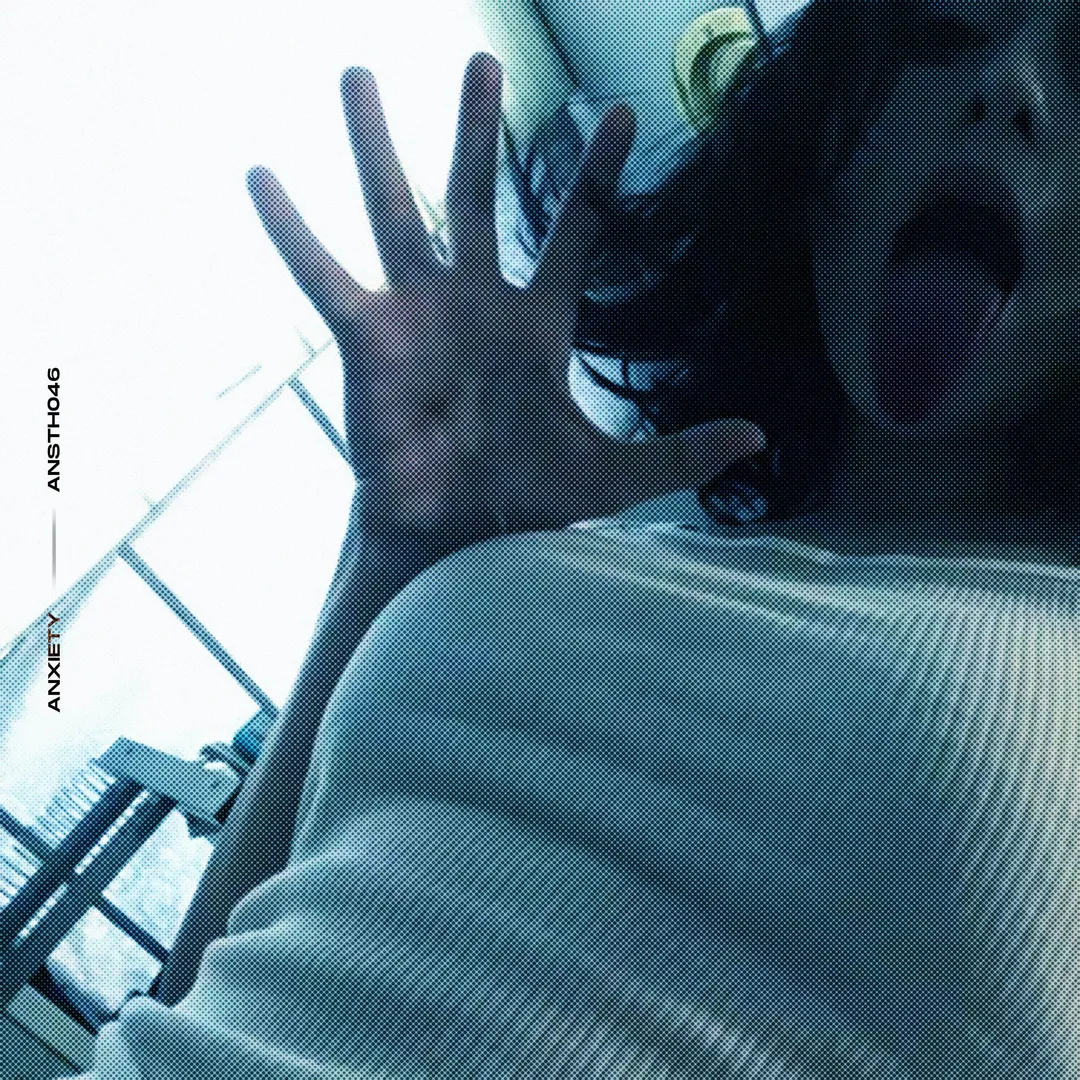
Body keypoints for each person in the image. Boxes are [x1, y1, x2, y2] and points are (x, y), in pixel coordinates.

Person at [81, 0, 1080, 1076]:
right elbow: (188, 1000)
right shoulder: (587, 548)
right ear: (826, 161)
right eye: (945, 24)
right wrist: (396, 552)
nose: (1008, 86)